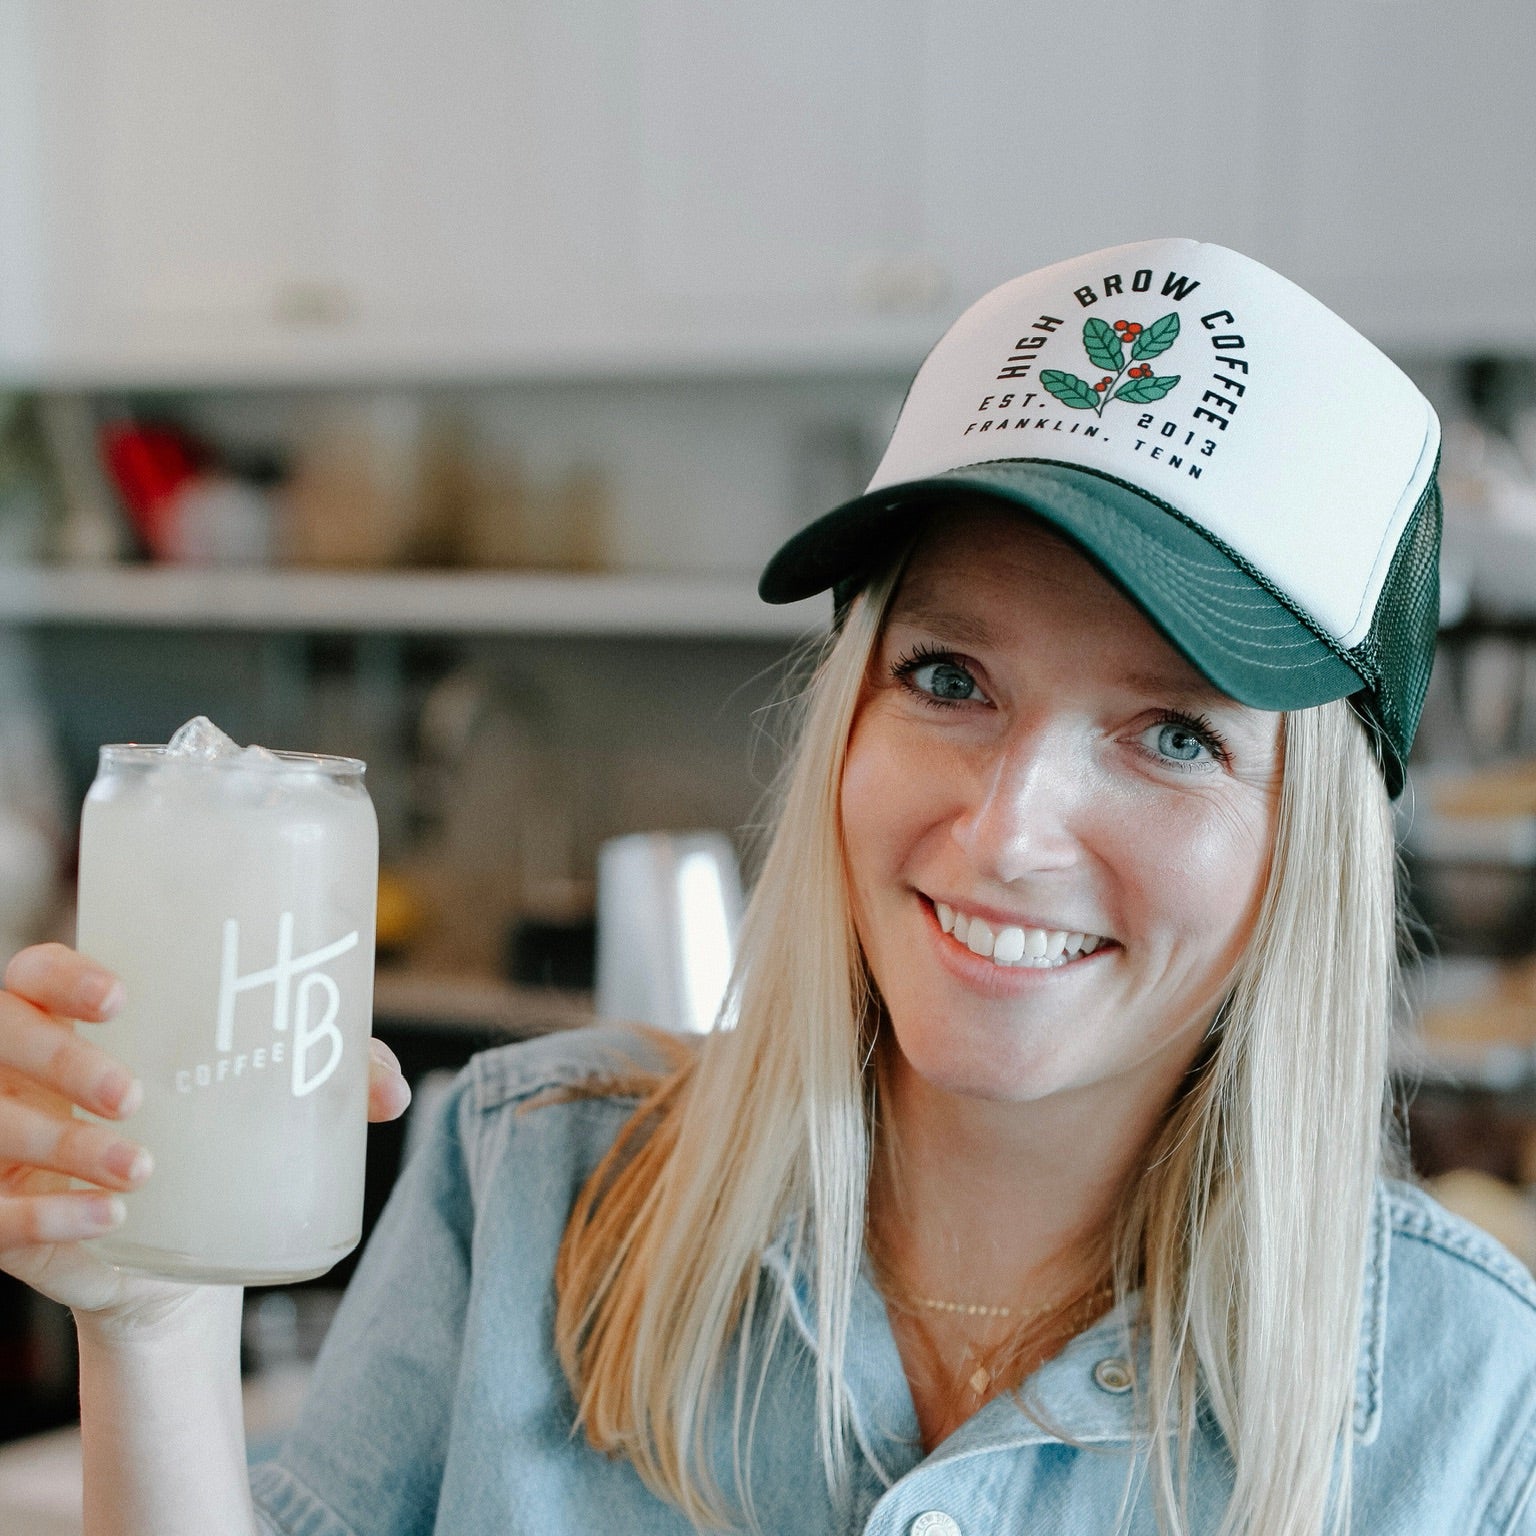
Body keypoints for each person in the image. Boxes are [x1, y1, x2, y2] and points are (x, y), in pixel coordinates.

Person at [2, 236, 1534, 1536]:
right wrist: (153, 1316)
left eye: (1176, 733)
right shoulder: (529, 1189)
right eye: (948, 675)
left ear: (1306, 845)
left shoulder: (1473, 1398)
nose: (1009, 831)